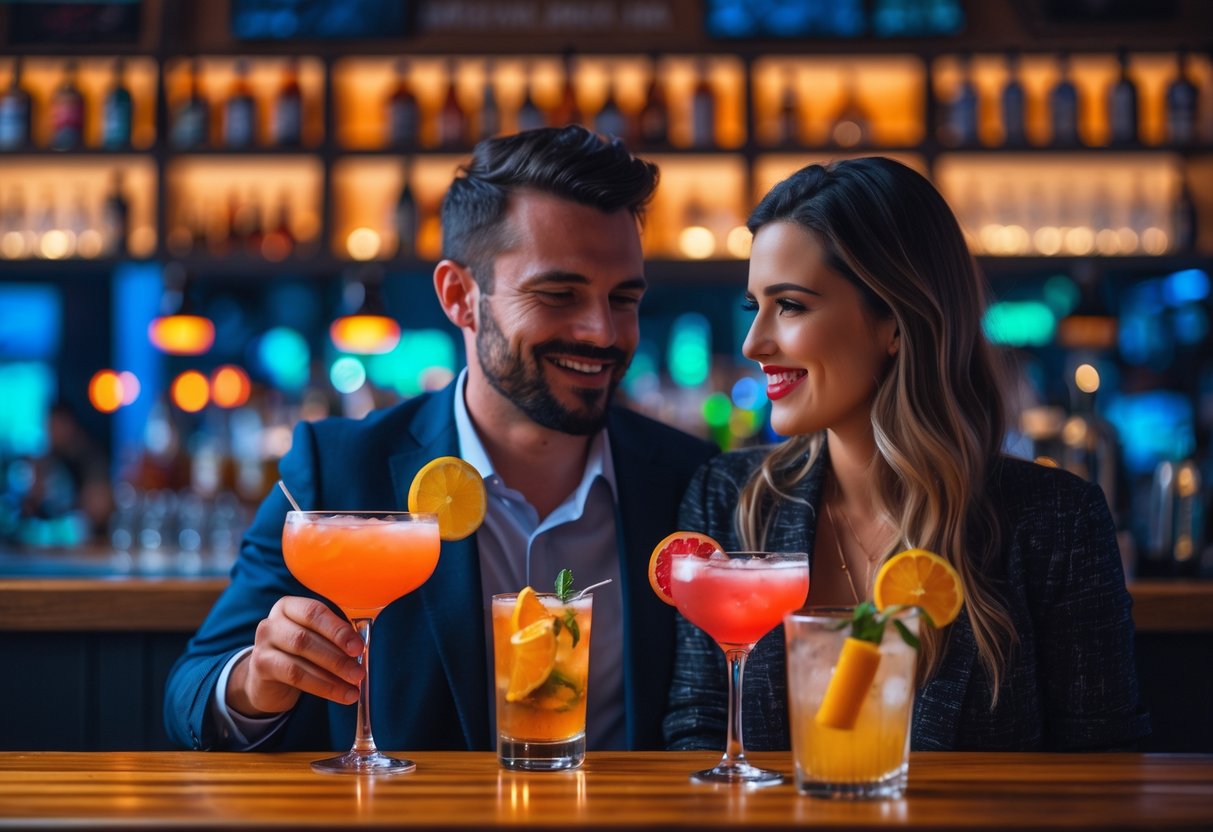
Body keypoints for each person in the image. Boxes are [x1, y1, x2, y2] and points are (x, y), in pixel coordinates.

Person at [165, 126, 716, 753]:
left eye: (624, 298)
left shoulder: (692, 479)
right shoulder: (342, 469)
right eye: (558, 294)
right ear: (460, 297)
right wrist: (257, 681)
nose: (601, 331)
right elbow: (191, 689)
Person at [663, 157, 1149, 752]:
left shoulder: (1056, 522)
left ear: (894, 322)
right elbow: (698, 733)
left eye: (789, 305)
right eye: (753, 306)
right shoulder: (728, 498)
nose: (753, 343)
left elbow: (1105, 765)